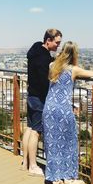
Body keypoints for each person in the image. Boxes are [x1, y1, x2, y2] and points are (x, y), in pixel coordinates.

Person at [43, 41, 93, 184]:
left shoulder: (52, 66)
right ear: (74, 54)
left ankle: (54, 177)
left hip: (49, 108)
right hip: (63, 109)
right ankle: (68, 176)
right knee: (69, 142)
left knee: (52, 143)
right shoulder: (74, 70)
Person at [22, 29, 62, 176]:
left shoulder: (36, 50)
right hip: (39, 98)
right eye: (56, 42)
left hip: (31, 94)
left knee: (30, 128)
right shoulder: (44, 59)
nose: (58, 45)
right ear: (48, 41)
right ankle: (33, 166)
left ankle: (25, 163)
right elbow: (43, 81)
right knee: (36, 132)